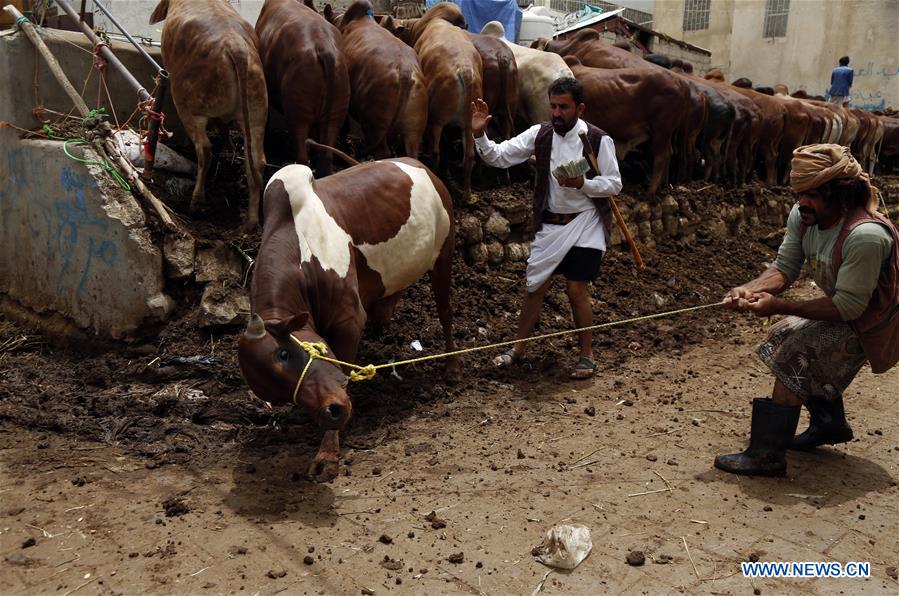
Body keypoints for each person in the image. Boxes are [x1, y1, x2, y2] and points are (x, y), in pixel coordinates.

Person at [716, 144, 899, 476]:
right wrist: (750, 289)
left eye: (811, 194)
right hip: (850, 308)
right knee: (779, 335)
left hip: (874, 321)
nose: (801, 202)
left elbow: (849, 306)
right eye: (799, 193)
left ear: (840, 195)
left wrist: (778, 305)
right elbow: (784, 268)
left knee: (795, 354)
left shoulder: (865, 236)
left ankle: (767, 456)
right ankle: (829, 423)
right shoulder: (804, 217)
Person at [470, 77, 622, 379]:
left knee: (576, 288)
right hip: (551, 224)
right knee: (535, 287)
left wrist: (584, 183)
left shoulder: (596, 138)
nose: (556, 113)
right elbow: (498, 157)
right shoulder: (540, 135)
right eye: (552, 106)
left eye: (563, 107)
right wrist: (480, 136)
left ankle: (586, 356)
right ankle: (518, 348)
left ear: (579, 107)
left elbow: (614, 184)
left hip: (585, 221)